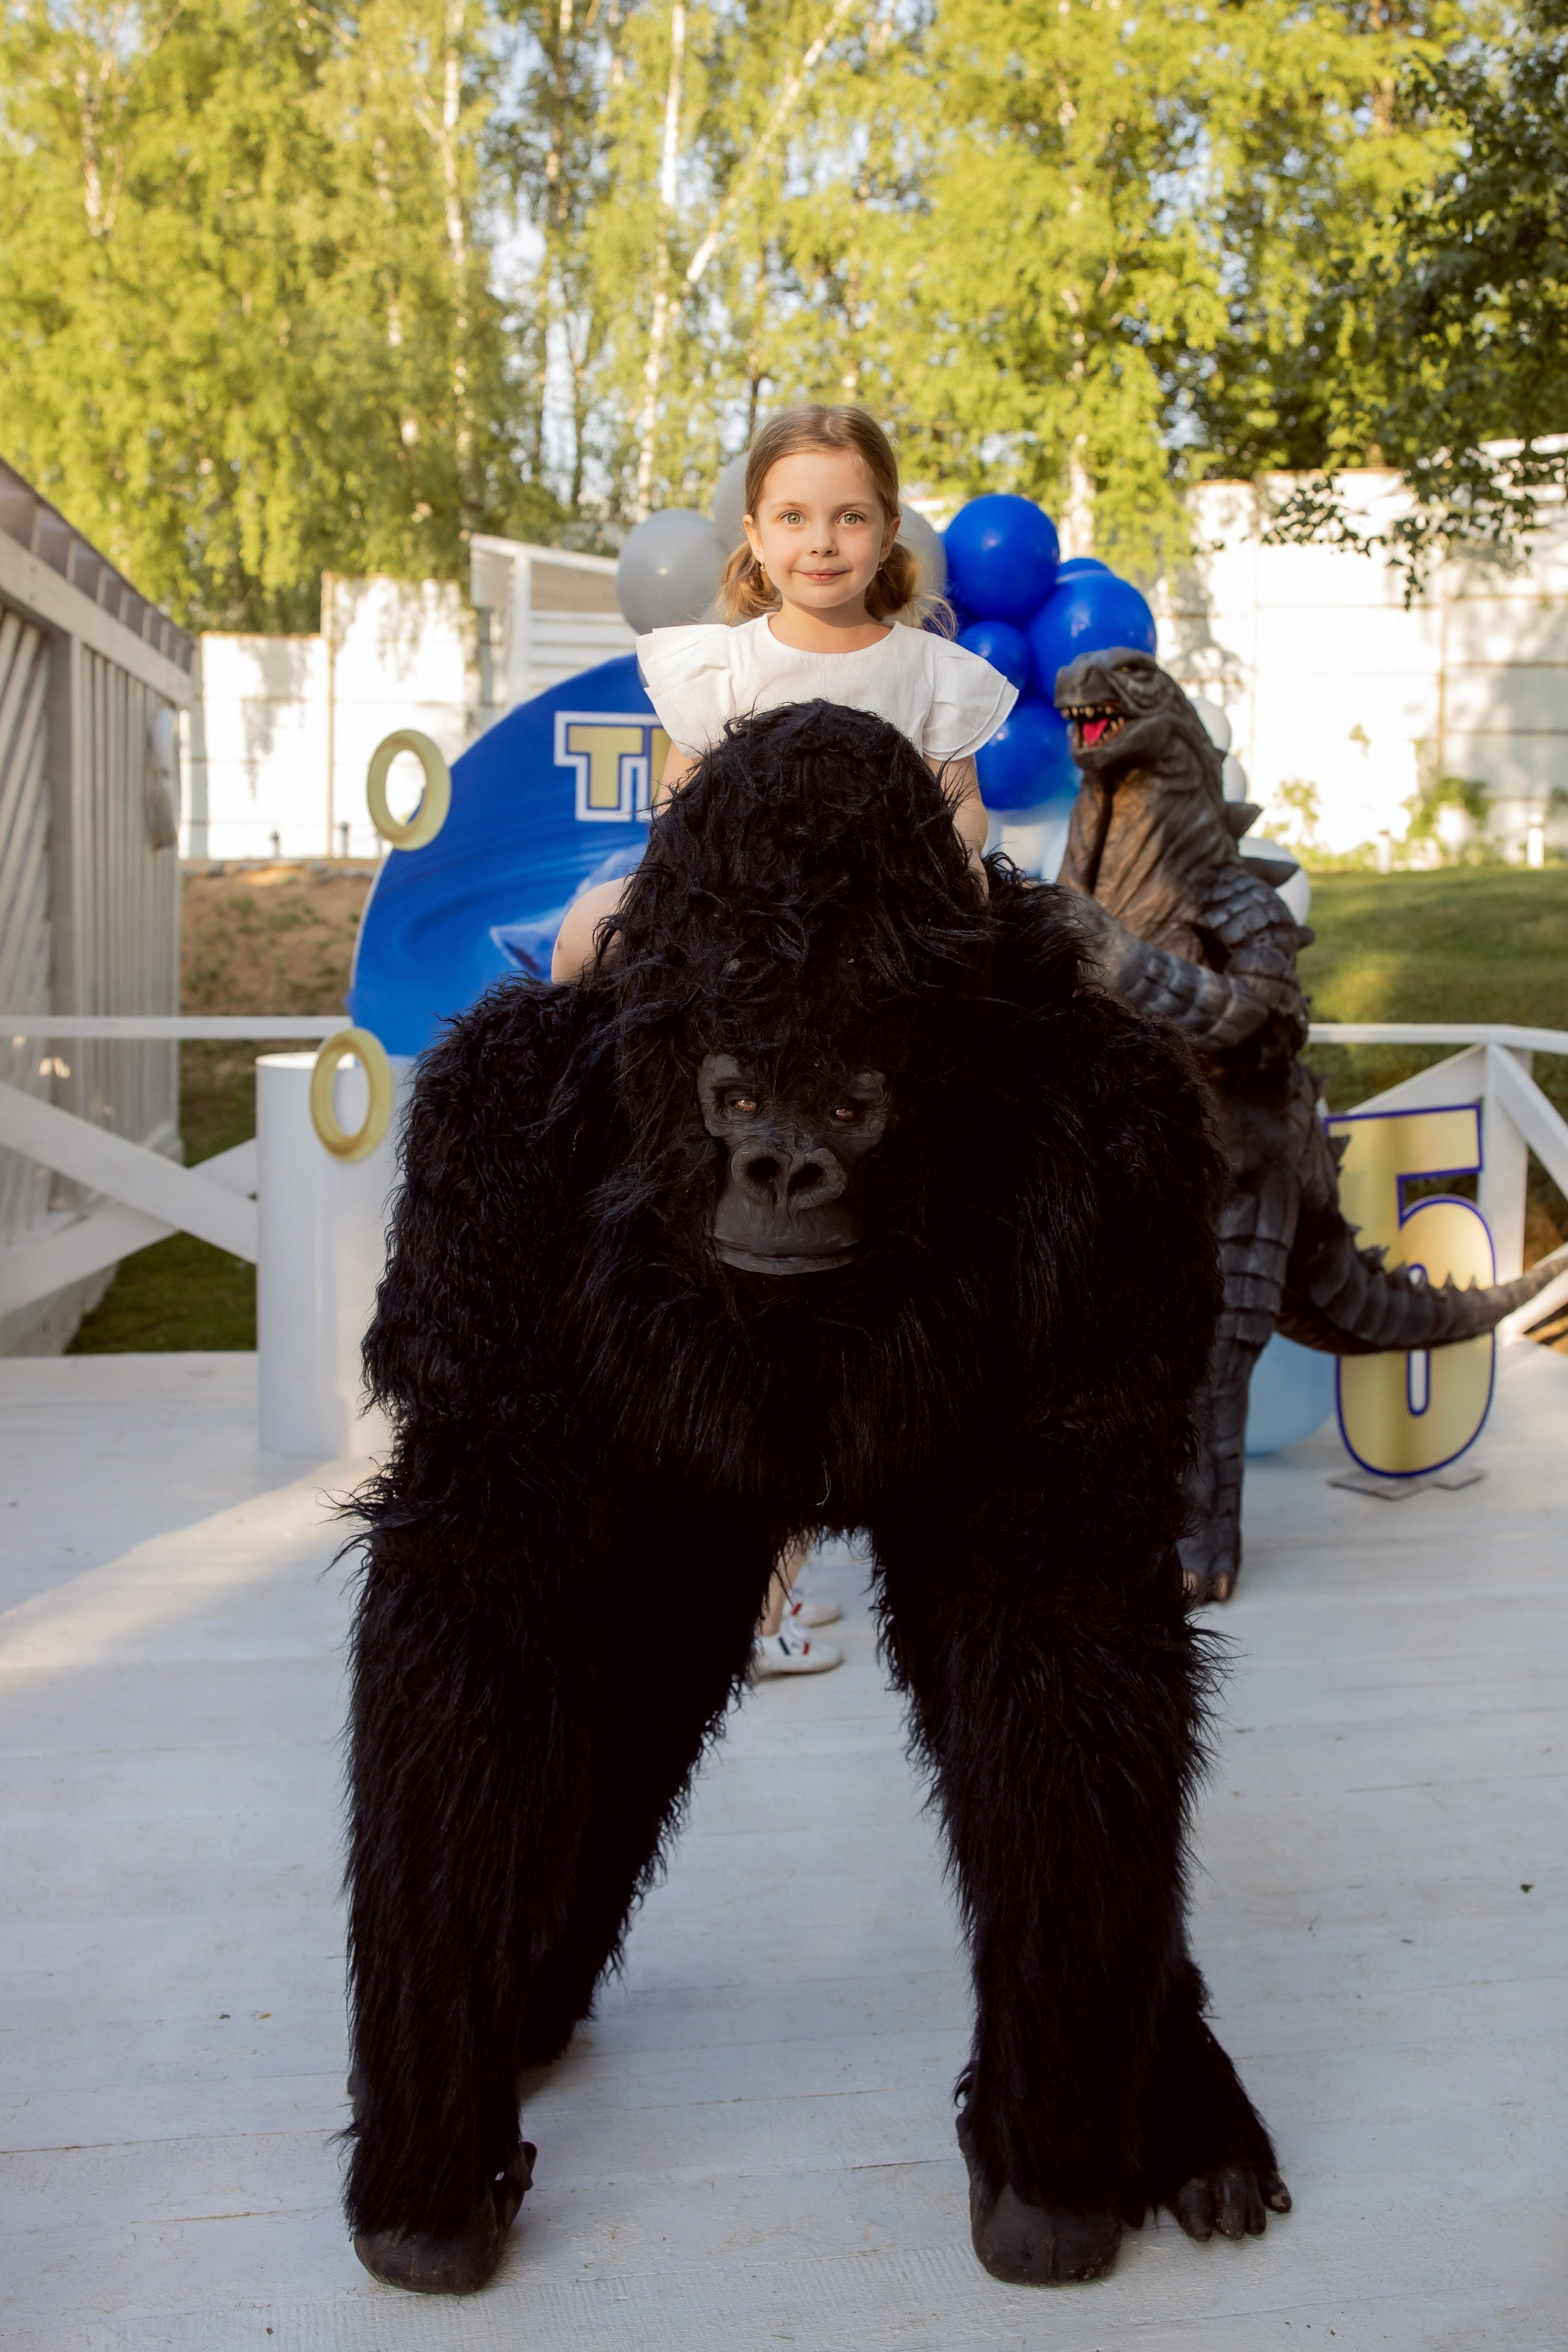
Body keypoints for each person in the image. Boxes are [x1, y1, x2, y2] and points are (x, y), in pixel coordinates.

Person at [551, 403, 1017, 985]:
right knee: (583, 931)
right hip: (744, 906)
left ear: (889, 532)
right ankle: (589, 1067)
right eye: (793, 518)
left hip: (884, 901)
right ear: (757, 536)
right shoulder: (720, 666)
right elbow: (678, 812)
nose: (822, 542)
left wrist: (955, 865)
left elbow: (962, 806)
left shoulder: (934, 670)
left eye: (850, 518)